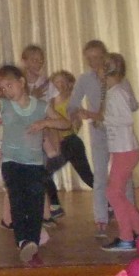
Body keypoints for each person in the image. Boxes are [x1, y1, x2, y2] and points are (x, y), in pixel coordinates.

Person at [0, 65, 70, 266]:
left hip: (34, 164)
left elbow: (65, 123)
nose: (7, 91)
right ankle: (23, 242)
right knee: (17, 202)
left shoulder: (41, 106)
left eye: (9, 85)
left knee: (35, 205)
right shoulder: (5, 105)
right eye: (3, 88)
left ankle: (32, 245)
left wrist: (45, 123)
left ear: (21, 82)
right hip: (11, 162)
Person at [68, 40, 139, 239]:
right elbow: (73, 104)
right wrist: (77, 115)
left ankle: (129, 217)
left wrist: (113, 104)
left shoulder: (118, 80)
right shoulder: (85, 79)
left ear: (106, 57)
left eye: (98, 57)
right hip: (99, 133)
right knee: (99, 175)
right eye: (89, 58)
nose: (94, 62)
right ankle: (101, 217)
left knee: (124, 178)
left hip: (120, 136)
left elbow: (133, 106)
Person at [86, 53, 139, 252]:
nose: (97, 71)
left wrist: (102, 119)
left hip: (125, 150)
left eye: (100, 67)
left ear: (107, 70)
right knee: (117, 193)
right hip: (123, 150)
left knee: (113, 193)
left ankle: (127, 237)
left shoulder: (117, 93)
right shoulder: (114, 92)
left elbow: (126, 119)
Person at [42, 70, 94, 220]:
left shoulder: (73, 100)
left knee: (87, 177)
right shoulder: (51, 102)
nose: (60, 85)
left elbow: (76, 124)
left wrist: (74, 120)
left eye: (63, 81)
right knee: (44, 173)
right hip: (58, 142)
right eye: (57, 82)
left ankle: (111, 200)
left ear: (69, 83)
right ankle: (55, 206)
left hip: (71, 142)